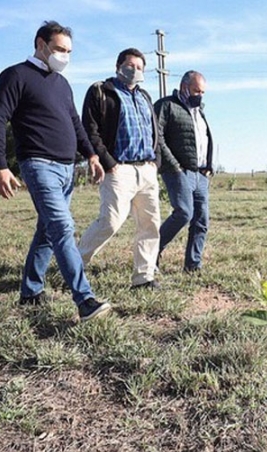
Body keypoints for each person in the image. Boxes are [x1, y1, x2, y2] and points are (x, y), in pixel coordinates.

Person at [0, 21, 111, 321]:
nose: (64, 56)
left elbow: (75, 123)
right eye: (59, 49)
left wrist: (92, 156)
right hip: (38, 164)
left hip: (66, 169)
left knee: (46, 231)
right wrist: (0, 166)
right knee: (62, 228)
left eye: (68, 51)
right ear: (40, 44)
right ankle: (85, 301)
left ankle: (30, 292)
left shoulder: (62, 84)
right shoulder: (15, 76)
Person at [78, 48, 161, 290]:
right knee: (111, 221)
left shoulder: (145, 96)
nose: (135, 70)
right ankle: (74, 263)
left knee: (150, 224)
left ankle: (144, 277)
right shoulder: (101, 91)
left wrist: (156, 162)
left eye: (139, 67)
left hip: (146, 169)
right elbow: (90, 129)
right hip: (119, 170)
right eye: (130, 65)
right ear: (118, 66)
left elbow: (155, 131)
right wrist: (108, 162)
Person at [154, 71, 213, 273]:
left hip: (200, 174)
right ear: (184, 86)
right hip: (178, 171)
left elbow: (204, 140)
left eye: (203, 92)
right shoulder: (166, 105)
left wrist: (208, 166)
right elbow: (157, 137)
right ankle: (152, 252)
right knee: (184, 213)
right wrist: (174, 166)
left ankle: (193, 265)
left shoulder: (199, 111)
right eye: (196, 90)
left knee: (201, 220)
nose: (200, 95)